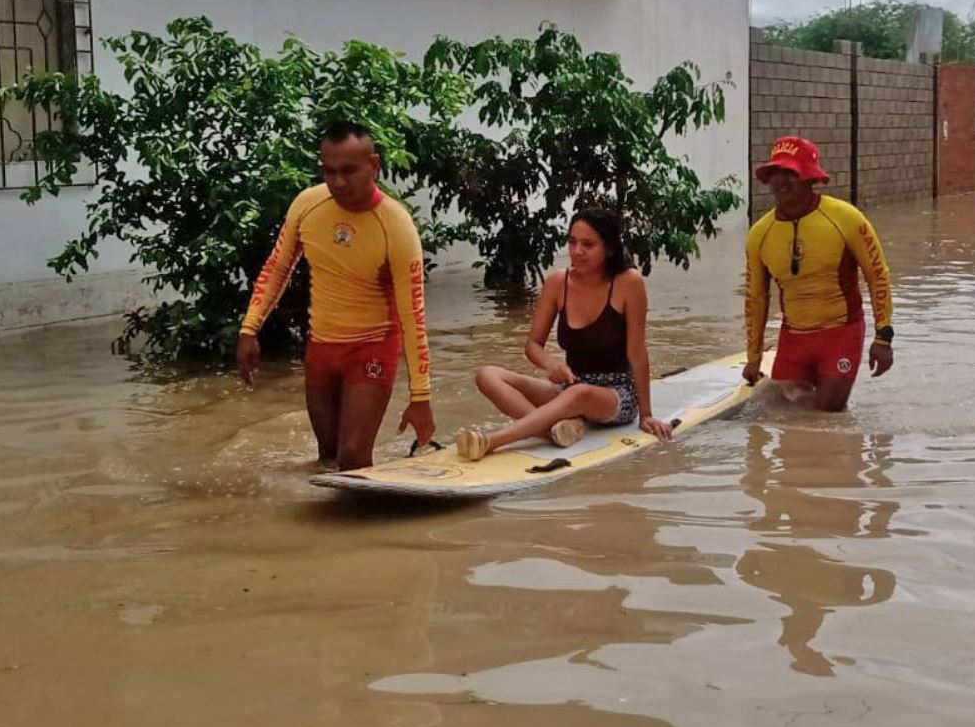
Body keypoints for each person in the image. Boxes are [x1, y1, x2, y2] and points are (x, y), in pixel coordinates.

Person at [237, 123, 435, 470]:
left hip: (373, 346)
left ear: (373, 165)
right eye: (329, 171)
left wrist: (420, 396)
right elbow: (277, 267)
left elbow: (413, 315)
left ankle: (369, 522)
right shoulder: (308, 204)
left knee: (354, 459)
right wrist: (250, 328)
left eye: (349, 171)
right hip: (322, 348)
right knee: (328, 459)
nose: (338, 182)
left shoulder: (396, 225)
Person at [459, 208, 672, 460]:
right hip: (569, 387)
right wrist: (551, 365)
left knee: (578, 393)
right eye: (572, 242)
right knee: (487, 375)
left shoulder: (629, 282)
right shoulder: (557, 283)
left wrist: (646, 414)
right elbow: (532, 345)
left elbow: (637, 353)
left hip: (616, 396)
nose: (576, 251)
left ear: (609, 248)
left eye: (588, 244)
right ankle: (553, 433)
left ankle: (492, 442)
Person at [743, 136, 894, 411]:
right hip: (793, 338)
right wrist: (753, 358)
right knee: (786, 421)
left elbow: (878, 275)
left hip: (840, 334)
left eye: (791, 172)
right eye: (776, 172)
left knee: (826, 417)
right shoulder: (759, 235)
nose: (782, 181)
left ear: (809, 178)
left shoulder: (847, 219)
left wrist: (883, 338)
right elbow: (755, 299)